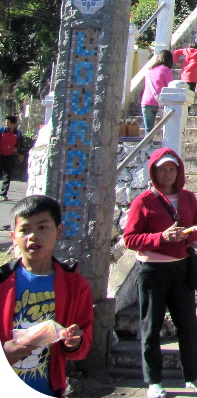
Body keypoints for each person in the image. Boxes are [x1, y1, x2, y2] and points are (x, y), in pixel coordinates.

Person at [122, 149, 197, 398]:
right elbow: (130, 239)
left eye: (172, 169)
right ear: (154, 172)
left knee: (189, 326)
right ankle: (153, 381)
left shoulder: (187, 198)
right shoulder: (143, 201)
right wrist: (160, 237)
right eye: (163, 169)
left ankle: (192, 376)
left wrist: (190, 232)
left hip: (181, 268)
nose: (168, 173)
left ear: (179, 171)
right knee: (151, 326)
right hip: (153, 270)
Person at [1, 195, 93, 397]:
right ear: (13, 236)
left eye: (42, 227)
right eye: (24, 230)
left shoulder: (76, 286)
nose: (33, 236)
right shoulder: (2, 282)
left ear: (59, 231)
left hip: (47, 388)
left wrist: (75, 341)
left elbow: (82, 346)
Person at [141, 50, 175, 135]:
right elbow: (170, 87)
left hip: (146, 101)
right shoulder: (166, 70)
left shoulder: (149, 71)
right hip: (161, 102)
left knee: (148, 131)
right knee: (168, 128)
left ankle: (147, 146)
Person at [0, 115, 23, 202]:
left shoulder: (18, 133)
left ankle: (3, 194)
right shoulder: (1, 131)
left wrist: (20, 154)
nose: (6, 124)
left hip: (10, 156)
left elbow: (20, 145)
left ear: (13, 124)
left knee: (7, 176)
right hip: (1, 155)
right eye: (5, 122)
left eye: (8, 123)